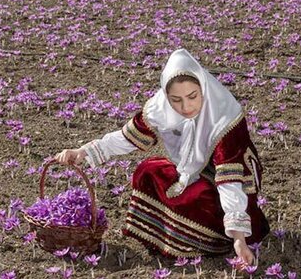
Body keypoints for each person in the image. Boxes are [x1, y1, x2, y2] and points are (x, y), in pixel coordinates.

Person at [55, 48, 269, 264]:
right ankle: (169, 237)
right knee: (147, 171)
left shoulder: (225, 117)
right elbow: (127, 138)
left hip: (231, 183)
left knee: (195, 199)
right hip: (191, 170)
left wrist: (239, 239)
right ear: (166, 96)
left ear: (203, 89)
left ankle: (210, 240)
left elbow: (229, 180)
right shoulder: (159, 107)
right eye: (176, 100)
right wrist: (83, 151)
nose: (186, 107)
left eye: (192, 97)